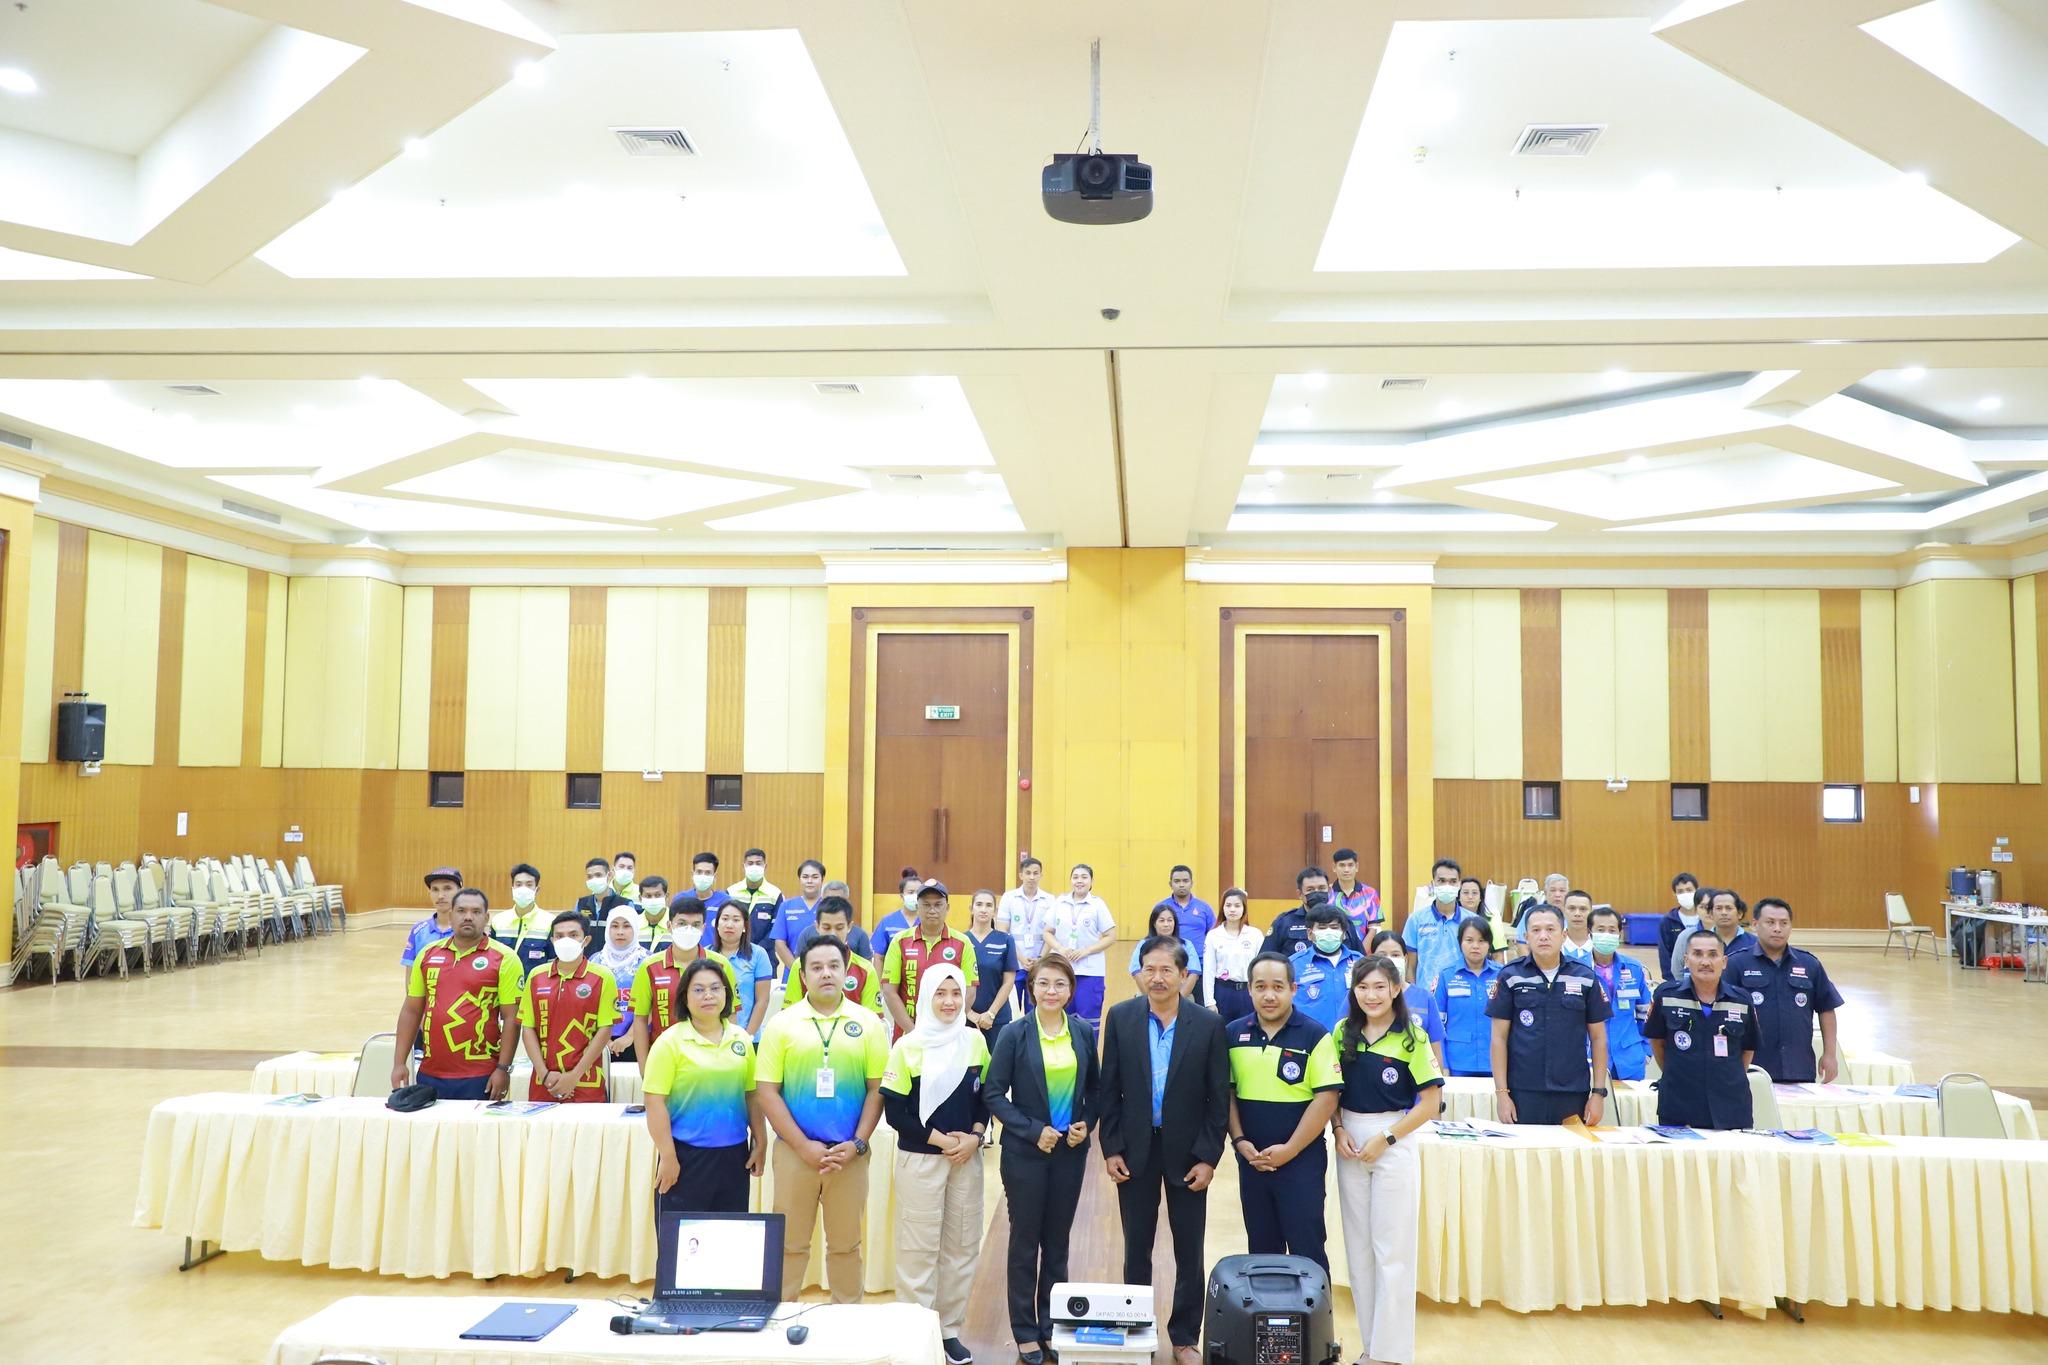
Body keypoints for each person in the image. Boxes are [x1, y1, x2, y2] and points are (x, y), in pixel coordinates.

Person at [1098, 935, 1228, 1365]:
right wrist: (1111, 1148)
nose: (1157, 978)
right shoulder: (1121, 1017)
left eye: (1166, 970)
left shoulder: (1208, 1025)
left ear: (1184, 975)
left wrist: (1208, 1157)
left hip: (1188, 1154)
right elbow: (1109, 1089)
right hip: (1135, 1150)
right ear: (1139, 973)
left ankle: (1185, 1336)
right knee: (1136, 1246)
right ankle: (1137, 1329)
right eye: (1149, 969)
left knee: (1189, 1249)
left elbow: (1217, 1099)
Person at [756, 933, 890, 1303]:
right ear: (802, 975)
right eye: (816, 967)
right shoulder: (782, 1024)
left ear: (847, 972)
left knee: (846, 1246)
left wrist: (858, 1143)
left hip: (849, 1155)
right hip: (795, 1153)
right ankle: (779, 1318)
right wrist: (803, 1146)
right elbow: (767, 1091)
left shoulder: (868, 1024)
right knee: (789, 1244)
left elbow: (877, 1089)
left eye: (833, 966)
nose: (826, 973)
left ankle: (846, 1321)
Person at [984, 956, 1098, 1365]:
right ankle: (1025, 1331)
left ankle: (1052, 1325)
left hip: (1070, 1153)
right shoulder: (1014, 1034)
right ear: (1031, 988)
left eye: (1060, 984)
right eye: (1044, 983)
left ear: (1070, 990)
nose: (1052, 991)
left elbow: (1095, 1090)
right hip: (1025, 1155)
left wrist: (1086, 1123)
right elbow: (994, 1094)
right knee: (1024, 1242)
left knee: (1057, 1242)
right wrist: (1034, 1130)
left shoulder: (1081, 1031)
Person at [1333, 955, 1443, 1365]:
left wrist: (1387, 1137)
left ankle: (1391, 1353)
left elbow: (1431, 1102)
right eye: (1363, 987)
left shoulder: (1412, 1037)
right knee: (1359, 1250)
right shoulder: (1342, 1032)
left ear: (1396, 989)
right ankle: (1371, 1347)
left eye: (1380, 986)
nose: (1372, 995)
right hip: (1349, 1142)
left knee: (1391, 1250)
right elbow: (1329, 1090)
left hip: (1394, 1140)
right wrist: (1339, 1129)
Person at [880, 964, 987, 1365]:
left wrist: (975, 1137)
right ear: (925, 996)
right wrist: (943, 1141)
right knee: (918, 1249)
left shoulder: (975, 1041)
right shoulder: (908, 1046)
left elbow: (985, 1099)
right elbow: (896, 1113)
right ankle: (917, 1333)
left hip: (966, 1159)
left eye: (955, 993)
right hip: (922, 1159)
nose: (949, 1001)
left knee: (961, 1246)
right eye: (940, 993)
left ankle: (948, 1331)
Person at [1227, 953, 1342, 1271]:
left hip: (1301, 1162)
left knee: (1308, 1249)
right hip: (1252, 1162)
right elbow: (1227, 1093)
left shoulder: (1315, 1035)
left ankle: (1314, 1307)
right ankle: (1267, 1306)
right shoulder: (1233, 1034)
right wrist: (1239, 1141)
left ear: (1294, 989)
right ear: (1249, 989)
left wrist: (1290, 1150)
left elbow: (1327, 1098)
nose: (1269, 995)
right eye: (1260, 987)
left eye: (1278, 987)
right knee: (1262, 1252)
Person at [643, 957, 767, 1214]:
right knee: (681, 1237)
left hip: (734, 1156)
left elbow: (752, 1095)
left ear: (726, 994)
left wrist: (760, 1139)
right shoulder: (669, 1042)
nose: (708, 995)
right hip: (686, 1156)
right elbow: (654, 1103)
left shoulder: (742, 1039)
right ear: (685, 997)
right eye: (698, 990)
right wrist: (668, 1156)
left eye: (715, 988)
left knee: (729, 1234)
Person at [391, 887, 522, 1099]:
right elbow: (411, 1011)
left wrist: (503, 1068)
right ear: (451, 915)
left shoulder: (506, 958)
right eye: (461, 911)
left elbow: (511, 1018)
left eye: (476, 912)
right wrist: (399, 1063)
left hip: (481, 1074)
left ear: (486, 917)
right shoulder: (427, 955)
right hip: (430, 1072)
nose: (468, 917)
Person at [1487, 903, 1610, 1126]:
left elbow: (1599, 1038)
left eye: (1550, 929)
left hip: (1573, 1091)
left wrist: (1598, 1093)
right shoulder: (1510, 976)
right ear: (1526, 937)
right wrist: (1502, 1094)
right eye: (1536, 930)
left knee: (1571, 1148)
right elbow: (1498, 1038)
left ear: (1564, 935)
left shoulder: (1585, 977)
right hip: (1523, 1091)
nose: (1543, 936)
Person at [1645, 932, 1759, 1129]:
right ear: (1686, 960)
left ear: (1724, 962)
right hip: (1678, 1106)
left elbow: (1748, 1049)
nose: (1705, 962)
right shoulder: (1667, 996)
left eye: (1713, 955)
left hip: (1731, 1107)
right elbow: (1657, 1042)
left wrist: (1725, 1078)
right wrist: (1676, 1073)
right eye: (1697, 954)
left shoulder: (1741, 1000)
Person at [1726, 897, 1845, 1083]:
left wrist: (1830, 1054)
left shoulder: (1809, 964)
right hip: (1752, 1068)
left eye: (1784, 923)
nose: (1777, 928)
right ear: (1755, 925)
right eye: (1770, 922)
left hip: (1798, 1067)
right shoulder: (1736, 964)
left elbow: (1826, 1009)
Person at [519, 911, 619, 1102]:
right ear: (552, 940)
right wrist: (545, 1075)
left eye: (573, 935)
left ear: (586, 940)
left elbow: (605, 1029)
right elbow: (528, 1028)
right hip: (544, 1082)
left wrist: (574, 1076)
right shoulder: (536, 976)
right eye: (559, 936)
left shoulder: (602, 977)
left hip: (586, 1081)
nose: (566, 941)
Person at [627, 899, 736, 1061]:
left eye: (696, 925)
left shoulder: (721, 965)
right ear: (669, 926)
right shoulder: (649, 967)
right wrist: (644, 1067)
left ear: (703, 928)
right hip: (664, 1057)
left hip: (711, 1058)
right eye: (682, 923)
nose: (688, 930)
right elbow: (641, 1020)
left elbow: (730, 1014)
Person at [882, 880, 979, 1035]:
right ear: (917, 907)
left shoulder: (963, 943)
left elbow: (970, 991)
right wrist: (913, 1032)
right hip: (908, 1034)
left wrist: (948, 1027)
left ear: (947, 908)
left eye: (938, 905)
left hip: (948, 1034)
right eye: (926, 905)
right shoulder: (899, 941)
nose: (932, 910)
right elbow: (889, 991)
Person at [1042, 863, 1116, 1029]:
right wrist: (1060, 949)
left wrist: (1086, 951)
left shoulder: (1097, 905)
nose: (1079, 881)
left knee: (1088, 1020)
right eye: (1075, 877)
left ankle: (1088, 1047)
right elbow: (1047, 932)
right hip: (1062, 968)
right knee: (1063, 1017)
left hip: (1090, 971)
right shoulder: (1060, 902)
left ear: (1091, 881)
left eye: (1084, 877)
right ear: (1070, 880)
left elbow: (1111, 936)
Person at [1586, 907, 1652, 1081]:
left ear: (1620, 934)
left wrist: (1646, 1050)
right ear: (1590, 933)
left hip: (1630, 1059)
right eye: (1600, 930)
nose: (1606, 935)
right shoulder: (1577, 970)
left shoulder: (1634, 968)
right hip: (1590, 1058)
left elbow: (1646, 1014)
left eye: (1612, 930)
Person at [783, 897, 883, 1011]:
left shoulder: (866, 970)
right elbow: (789, 1014)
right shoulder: (799, 966)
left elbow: (873, 1018)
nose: (833, 934)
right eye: (826, 927)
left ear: (849, 927)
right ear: (817, 927)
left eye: (839, 928)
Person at [1433, 916, 1501, 1077]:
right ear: (1460, 943)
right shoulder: (1446, 976)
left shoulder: (1502, 975)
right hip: (1457, 1062)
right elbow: (1437, 1025)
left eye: (1482, 941)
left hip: (1494, 1061)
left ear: (1489, 944)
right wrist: (1443, 1064)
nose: (1475, 946)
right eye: (1469, 940)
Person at [1367, 928, 1445, 1065]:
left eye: (1395, 955)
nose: (1389, 960)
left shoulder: (1424, 998)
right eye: (1382, 955)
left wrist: (1438, 1074)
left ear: (1405, 959)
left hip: (1417, 1072)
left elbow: (1435, 1046)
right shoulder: (1362, 995)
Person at [1290, 902, 1364, 1033]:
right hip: (1311, 1038)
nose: (1329, 932)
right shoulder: (1293, 964)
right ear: (1310, 933)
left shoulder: (1360, 962)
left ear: (1344, 933)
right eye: (1322, 928)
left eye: (1334, 927)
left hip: (1354, 1036)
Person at [593, 906, 652, 1063]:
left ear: (636, 929)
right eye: (614, 926)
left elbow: (652, 1005)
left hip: (640, 1038)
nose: (620, 932)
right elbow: (588, 1004)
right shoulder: (595, 961)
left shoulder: (648, 961)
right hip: (599, 1040)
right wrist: (603, 1038)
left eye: (626, 926)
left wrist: (629, 1037)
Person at [1262, 869, 1362, 958]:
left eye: (1322, 888)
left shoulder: (1342, 920)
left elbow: (1360, 960)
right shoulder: (1284, 922)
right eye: (1310, 889)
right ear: (1300, 894)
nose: (1317, 893)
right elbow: (1266, 959)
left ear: (1329, 891)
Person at [1401, 859, 1468, 993]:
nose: (1447, 886)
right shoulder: (1416, 920)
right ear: (1432, 884)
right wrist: (1414, 996)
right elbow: (1410, 967)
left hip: (1462, 993)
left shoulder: (1472, 920)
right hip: (1426, 994)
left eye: (1453, 881)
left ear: (1459, 885)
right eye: (1441, 881)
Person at [998, 856, 1055, 1011]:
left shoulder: (1050, 900)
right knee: (1012, 1008)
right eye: (1028, 873)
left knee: (1035, 1008)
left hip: (1039, 964)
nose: (1031, 877)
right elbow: (1002, 931)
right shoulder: (1009, 898)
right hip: (1014, 962)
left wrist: (1040, 958)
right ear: (1021, 875)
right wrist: (1022, 959)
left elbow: (1052, 933)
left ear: (1041, 875)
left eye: (1036, 873)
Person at [963, 889, 1021, 1042]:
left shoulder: (1005, 940)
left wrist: (991, 1014)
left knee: (997, 1058)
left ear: (995, 911)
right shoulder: (961, 940)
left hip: (997, 1018)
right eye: (979, 904)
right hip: (964, 1019)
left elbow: (1008, 982)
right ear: (971, 909)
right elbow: (954, 982)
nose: (983, 909)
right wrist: (968, 1012)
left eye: (988, 905)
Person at [712, 900, 774, 1036]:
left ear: (745, 926)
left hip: (747, 1034)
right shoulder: (705, 955)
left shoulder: (758, 954)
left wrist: (747, 1036)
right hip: (711, 1036)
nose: (729, 925)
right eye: (725, 919)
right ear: (717, 925)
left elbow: (762, 1001)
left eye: (736, 920)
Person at [1152, 865, 1215, 995]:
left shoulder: (1204, 908)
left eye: (1185, 881)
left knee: (1200, 1005)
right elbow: (1153, 936)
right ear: (1170, 884)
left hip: (1201, 967)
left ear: (1191, 883)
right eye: (1177, 881)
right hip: (1170, 966)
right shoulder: (1161, 907)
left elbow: (1214, 936)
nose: (1181, 885)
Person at [1202, 887, 1261, 1024]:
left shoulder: (1255, 935)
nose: (1232, 910)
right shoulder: (1213, 935)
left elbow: (1261, 968)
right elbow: (1209, 970)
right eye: (1228, 905)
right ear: (1222, 908)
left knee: (1248, 1031)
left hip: (1248, 992)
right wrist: (1210, 1002)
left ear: (1244, 908)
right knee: (1222, 1031)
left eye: (1237, 906)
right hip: (1223, 992)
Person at [490, 862, 556, 979]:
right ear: (512, 889)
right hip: (503, 984)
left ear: (537, 890)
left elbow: (553, 962)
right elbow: (491, 957)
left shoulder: (550, 921)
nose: (523, 889)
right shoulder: (498, 921)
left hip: (534, 985)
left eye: (529, 884)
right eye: (518, 884)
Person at [1672, 888, 1758, 971]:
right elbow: (1680, 971)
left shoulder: (1754, 943)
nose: (1724, 913)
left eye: (1728, 908)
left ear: (1739, 913)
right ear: (1711, 914)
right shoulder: (1699, 941)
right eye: (1719, 908)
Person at [400, 867, 463, 980]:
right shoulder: (418, 931)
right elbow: (411, 975)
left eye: (447, 888)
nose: (440, 896)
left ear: (460, 891)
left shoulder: (469, 930)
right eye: (435, 889)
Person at [770, 858, 829, 969]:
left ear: (822, 879)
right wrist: (797, 970)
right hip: (793, 970)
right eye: (805, 877)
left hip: (824, 971)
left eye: (815, 877)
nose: (809, 881)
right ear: (800, 879)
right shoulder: (786, 906)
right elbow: (779, 943)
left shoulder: (829, 906)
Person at [1127, 902, 1195, 998]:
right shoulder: (1144, 944)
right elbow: (1136, 972)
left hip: (1181, 996)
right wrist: (1152, 999)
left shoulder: (1186, 945)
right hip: (1149, 996)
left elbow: (1194, 974)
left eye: (1169, 920)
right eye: (1161, 921)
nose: (1166, 924)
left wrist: (1178, 1001)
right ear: (1154, 924)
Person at [729, 848, 784, 950]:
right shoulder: (731, 892)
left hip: (766, 953)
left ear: (765, 867)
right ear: (743, 867)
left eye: (758, 864)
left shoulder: (775, 894)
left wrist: (758, 951)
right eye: (750, 863)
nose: (754, 867)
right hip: (734, 951)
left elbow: (777, 928)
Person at [871, 868, 923, 967]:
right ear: (902, 895)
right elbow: (878, 956)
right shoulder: (887, 922)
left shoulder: (928, 921)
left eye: (918, 892)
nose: (915, 896)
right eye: (911, 892)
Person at [1329, 846, 1383, 938]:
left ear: (1356, 867)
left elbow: (1375, 927)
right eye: (1342, 865)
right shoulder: (1327, 893)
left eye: (1350, 865)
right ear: (1334, 867)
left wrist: (1363, 947)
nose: (1346, 870)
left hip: (1364, 945)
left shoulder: (1370, 893)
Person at [1655, 872, 1700, 980]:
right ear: (1675, 894)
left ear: (1697, 891)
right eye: (1680, 891)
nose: (1685, 894)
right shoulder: (1667, 921)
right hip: (1677, 977)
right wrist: (1671, 980)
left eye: (1689, 890)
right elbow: (1664, 953)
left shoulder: (1707, 918)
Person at [672, 851, 733, 918]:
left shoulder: (725, 901)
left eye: (708, 873)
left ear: (714, 877)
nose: (703, 876)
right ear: (692, 875)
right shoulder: (680, 899)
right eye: (699, 872)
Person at [574, 856, 631, 922]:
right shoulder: (580, 903)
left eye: (598, 875)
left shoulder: (625, 904)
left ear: (609, 875)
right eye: (589, 876)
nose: (594, 879)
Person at [1559, 889, 1596, 964]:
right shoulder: (1556, 943)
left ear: (1591, 912)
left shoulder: (1599, 944)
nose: (1577, 914)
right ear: (1564, 911)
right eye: (1572, 908)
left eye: (1583, 909)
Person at [635, 874, 670, 943]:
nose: (653, 899)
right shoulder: (634, 924)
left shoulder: (675, 923)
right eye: (648, 896)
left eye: (657, 895)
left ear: (666, 896)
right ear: (640, 898)